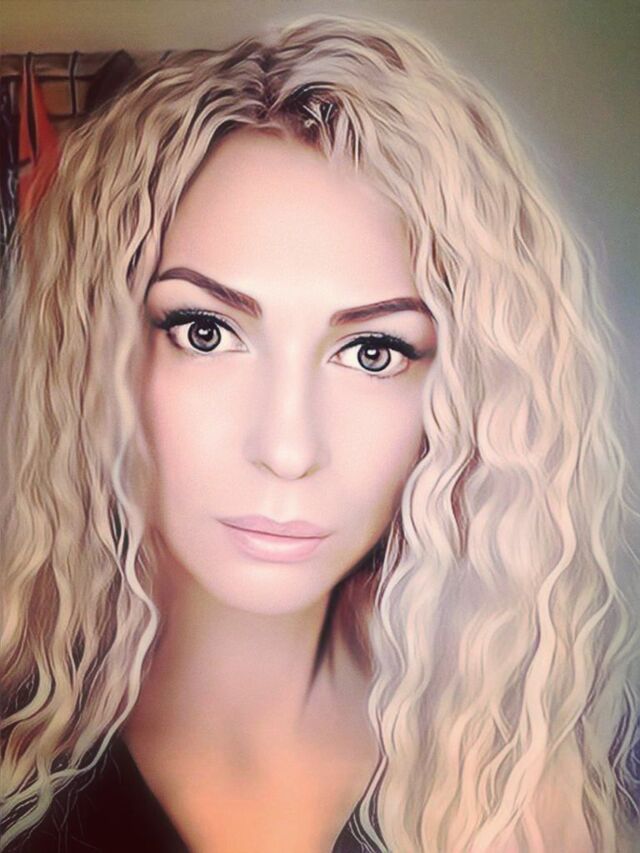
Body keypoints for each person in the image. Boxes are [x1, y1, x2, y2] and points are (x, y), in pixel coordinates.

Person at [1, 13, 638, 853]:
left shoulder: (520, 767)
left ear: (466, 394)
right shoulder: (17, 765)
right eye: (204, 331)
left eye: (373, 352)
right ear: (93, 355)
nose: (288, 448)